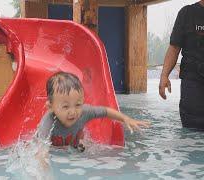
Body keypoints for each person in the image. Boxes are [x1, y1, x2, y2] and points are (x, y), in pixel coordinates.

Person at [36, 71, 150, 151]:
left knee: (85, 147)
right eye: (65, 107)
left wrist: (126, 119)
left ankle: (79, 142)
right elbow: (41, 151)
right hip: (53, 149)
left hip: (71, 144)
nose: (73, 112)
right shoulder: (48, 122)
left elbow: (105, 111)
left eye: (78, 104)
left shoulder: (84, 112)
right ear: (50, 107)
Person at [159, 1, 204, 129]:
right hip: (193, 82)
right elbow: (174, 47)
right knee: (193, 128)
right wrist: (164, 76)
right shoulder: (187, 13)